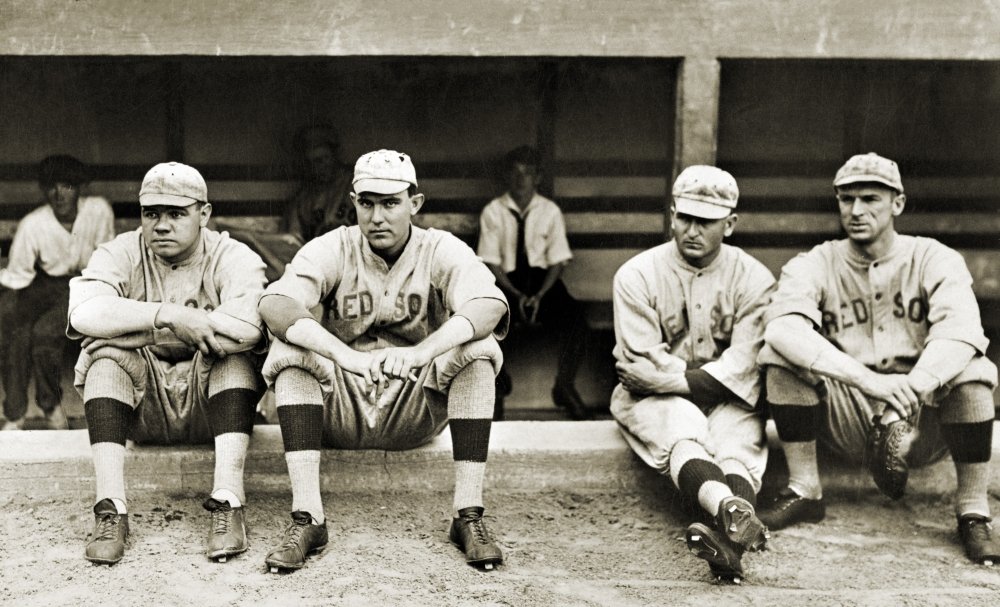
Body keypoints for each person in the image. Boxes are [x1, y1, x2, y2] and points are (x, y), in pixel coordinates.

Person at [258, 149, 509, 573]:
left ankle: (469, 514)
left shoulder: (440, 248)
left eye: (391, 203)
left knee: (481, 351)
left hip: (414, 404)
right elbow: (275, 304)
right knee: (289, 352)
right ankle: (308, 517)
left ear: (415, 203)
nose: (377, 216)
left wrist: (421, 352)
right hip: (341, 406)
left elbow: (489, 304)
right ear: (353, 202)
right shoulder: (333, 247)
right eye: (367, 202)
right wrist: (344, 356)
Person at [757, 152, 1000, 565]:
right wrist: (871, 384)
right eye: (845, 199)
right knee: (779, 358)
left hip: (923, 416)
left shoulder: (934, 257)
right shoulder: (815, 262)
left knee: (975, 371)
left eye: (870, 198)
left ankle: (973, 512)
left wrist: (911, 388)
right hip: (850, 409)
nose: (855, 210)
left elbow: (962, 333)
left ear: (897, 204)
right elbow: (782, 328)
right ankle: (804, 490)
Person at [67, 162, 268, 565]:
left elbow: (247, 327)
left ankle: (229, 502)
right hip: (144, 406)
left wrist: (133, 326)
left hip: (211, 407)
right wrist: (170, 316)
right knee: (103, 356)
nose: (161, 225)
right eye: (151, 213)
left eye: (176, 213)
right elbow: (82, 313)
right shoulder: (120, 251)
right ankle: (111, 508)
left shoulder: (233, 255)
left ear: (204, 215)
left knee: (233, 356)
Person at [610, 165, 775, 583]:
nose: (692, 230)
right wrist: (686, 381)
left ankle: (727, 537)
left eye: (706, 220)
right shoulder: (636, 274)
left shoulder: (754, 278)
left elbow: (743, 367)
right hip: (655, 399)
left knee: (736, 445)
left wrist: (671, 377)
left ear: (731, 224)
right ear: (671, 214)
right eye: (684, 217)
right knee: (682, 431)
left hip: (725, 396)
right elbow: (641, 365)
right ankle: (728, 510)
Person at [0, 155, 114, 431]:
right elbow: (17, 275)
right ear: (44, 191)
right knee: (17, 332)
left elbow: (108, 259)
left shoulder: (98, 210)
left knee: (46, 334)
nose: (59, 194)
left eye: (68, 186)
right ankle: (15, 413)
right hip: (45, 285)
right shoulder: (33, 224)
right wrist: (11, 314)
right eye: (52, 187)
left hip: (86, 284)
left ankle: (50, 406)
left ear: (80, 189)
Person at [477, 145, 590, 420]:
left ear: (537, 178)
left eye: (527, 173)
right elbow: (491, 262)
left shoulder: (549, 211)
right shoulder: (493, 211)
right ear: (507, 176)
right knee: (484, 318)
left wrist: (539, 295)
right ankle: (499, 387)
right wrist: (516, 295)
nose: (521, 179)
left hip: (543, 284)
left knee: (577, 318)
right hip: (506, 282)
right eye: (515, 173)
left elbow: (557, 261)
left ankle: (564, 385)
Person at [281, 124, 356, 244]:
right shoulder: (303, 199)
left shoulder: (358, 184)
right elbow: (291, 240)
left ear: (335, 155)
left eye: (323, 159)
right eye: (311, 163)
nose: (318, 167)